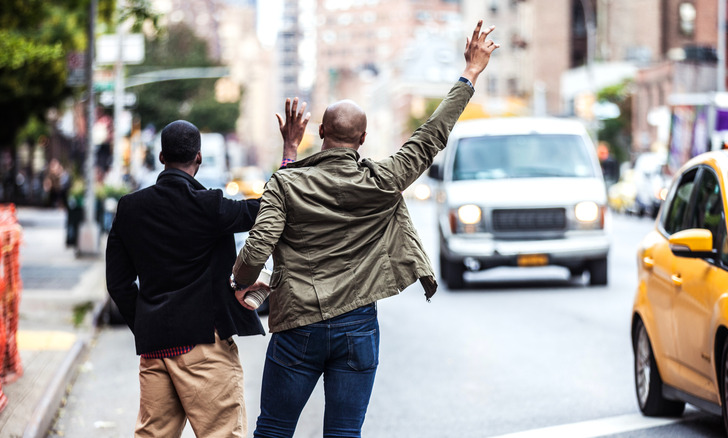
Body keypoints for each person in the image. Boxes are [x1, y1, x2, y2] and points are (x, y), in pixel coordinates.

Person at [231, 20, 499, 438]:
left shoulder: (286, 182)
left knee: (274, 430)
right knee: (343, 434)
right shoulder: (384, 179)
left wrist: (242, 281)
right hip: (357, 326)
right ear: (364, 138)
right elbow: (432, 136)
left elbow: (257, 248)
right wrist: (471, 72)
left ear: (319, 133)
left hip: (297, 326)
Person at [105, 116, 303, 437]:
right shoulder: (209, 206)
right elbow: (271, 207)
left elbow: (117, 283)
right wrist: (289, 151)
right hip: (203, 347)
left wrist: (145, 322)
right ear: (198, 157)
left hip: (155, 350)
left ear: (161, 158)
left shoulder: (130, 208)